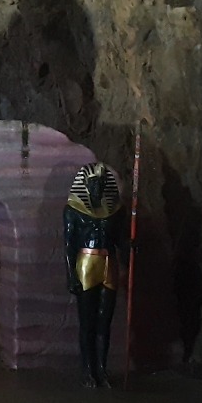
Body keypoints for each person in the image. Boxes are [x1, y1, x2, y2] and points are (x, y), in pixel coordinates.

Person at [64, 163, 125, 388]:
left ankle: (101, 368)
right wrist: (71, 275)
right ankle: (88, 370)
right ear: (85, 185)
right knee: (87, 321)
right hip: (86, 264)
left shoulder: (116, 210)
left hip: (110, 264)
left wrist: (131, 245)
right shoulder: (73, 209)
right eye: (92, 183)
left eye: (100, 183)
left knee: (104, 322)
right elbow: (68, 245)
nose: (96, 187)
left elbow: (120, 240)